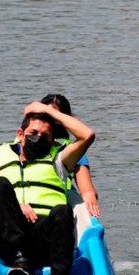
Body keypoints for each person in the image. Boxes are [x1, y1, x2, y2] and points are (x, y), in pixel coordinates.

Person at [0, 101, 95, 275]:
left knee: (62, 211)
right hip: (11, 244)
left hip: (46, 241)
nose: (38, 138)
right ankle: (21, 265)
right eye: (33, 133)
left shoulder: (59, 161)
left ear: (52, 139)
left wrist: (48, 111)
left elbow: (87, 135)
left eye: (45, 135)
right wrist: (11, 209)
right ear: (20, 134)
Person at [40, 94, 100, 242]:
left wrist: (89, 201)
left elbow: (87, 189)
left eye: (54, 117)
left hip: (64, 202)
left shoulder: (72, 150)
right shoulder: (27, 143)